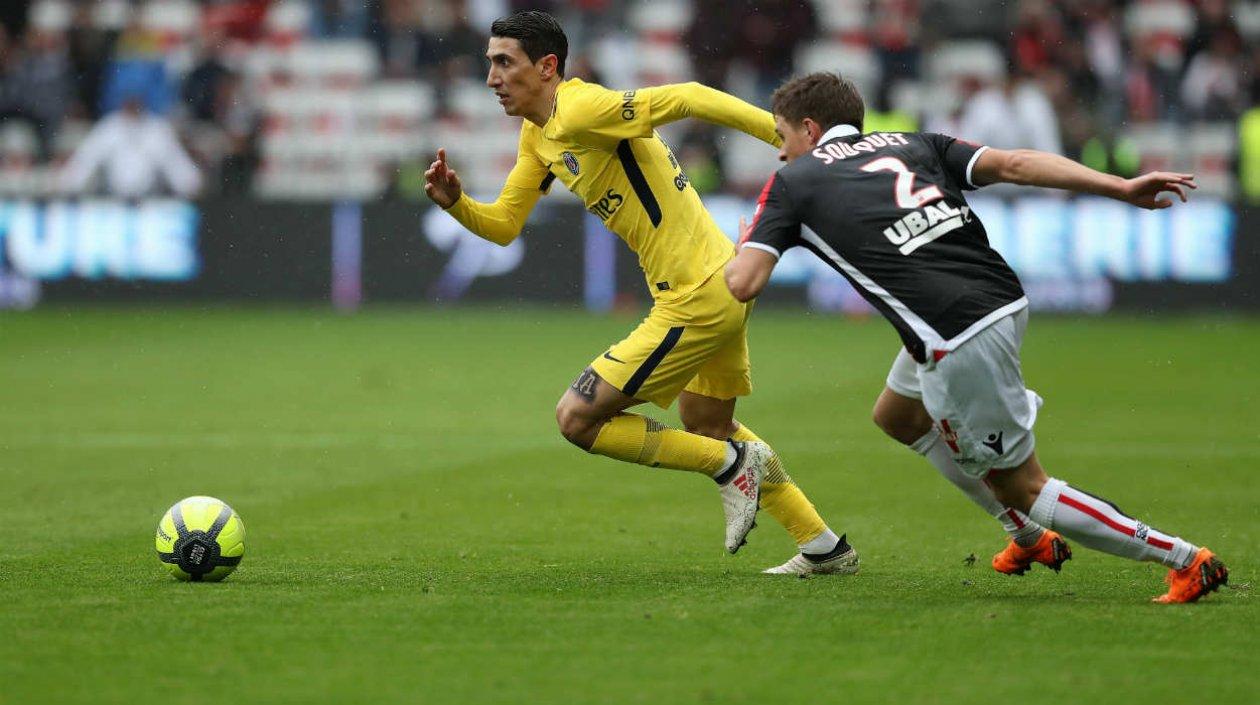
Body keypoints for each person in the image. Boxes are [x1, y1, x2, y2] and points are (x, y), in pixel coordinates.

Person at [725, 72, 1228, 603]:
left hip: (956, 332)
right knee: (897, 415)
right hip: (1000, 297)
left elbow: (743, 283)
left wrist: (747, 244)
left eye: (782, 136)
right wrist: (1119, 187)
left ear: (809, 127)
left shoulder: (794, 184)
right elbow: (1014, 163)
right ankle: (1028, 538)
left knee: (1024, 485)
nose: (780, 153)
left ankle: (1183, 557)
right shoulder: (914, 143)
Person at [423, 11, 855, 575]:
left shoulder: (581, 108)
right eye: (490, 63)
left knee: (578, 418)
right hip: (717, 282)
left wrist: (785, 139)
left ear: (547, 66)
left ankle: (730, 466)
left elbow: (691, 96)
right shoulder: (539, 135)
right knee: (709, 425)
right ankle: (823, 546)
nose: (492, 77)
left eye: (505, 62)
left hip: (696, 293)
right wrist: (457, 203)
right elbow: (505, 224)